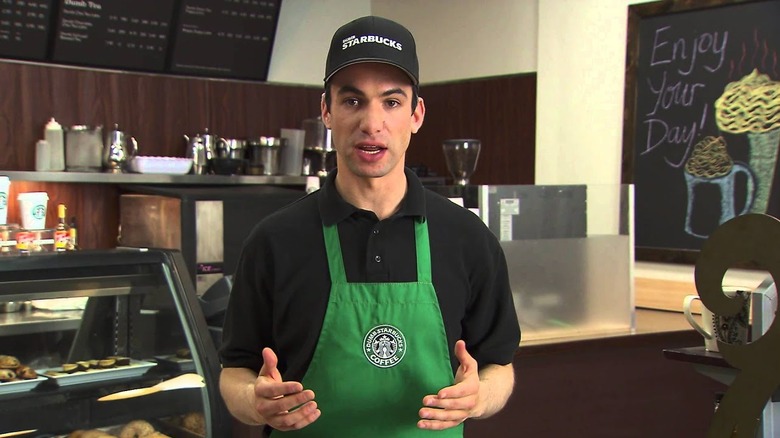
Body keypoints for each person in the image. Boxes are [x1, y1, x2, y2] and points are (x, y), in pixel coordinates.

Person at [218, 15, 521, 437]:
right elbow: (235, 370)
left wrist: (480, 397)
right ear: (327, 110)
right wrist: (254, 402)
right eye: (353, 101)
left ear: (416, 114)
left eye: (391, 102)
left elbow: (498, 365)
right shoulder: (274, 240)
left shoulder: (467, 238)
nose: (372, 123)